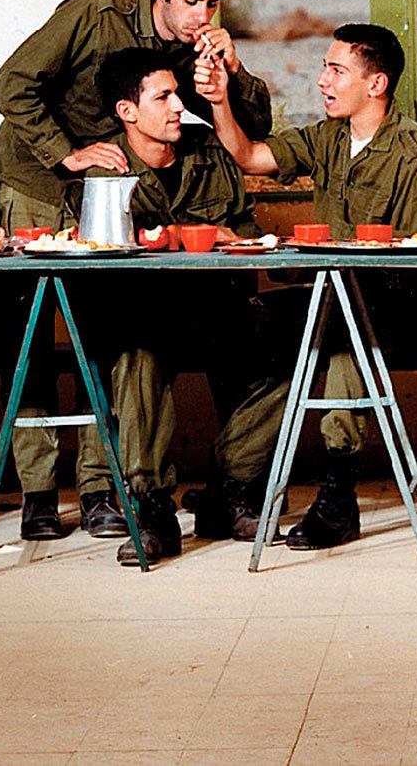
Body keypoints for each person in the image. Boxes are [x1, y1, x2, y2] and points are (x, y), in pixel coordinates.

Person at [0, 0, 272, 540]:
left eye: (213, 4)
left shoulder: (192, 52)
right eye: (190, 0)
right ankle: (39, 493)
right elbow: (9, 83)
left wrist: (234, 71)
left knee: (109, 328)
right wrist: (64, 153)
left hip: (114, 185)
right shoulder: (94, 16)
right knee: (34, 334)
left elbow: (252, 130)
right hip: (37, 178)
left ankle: (102, 488)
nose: (201, 16)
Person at [197, 24, 417, 549]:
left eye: (336, 71)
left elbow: (411, 259)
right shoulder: (329, 137)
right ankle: (235, 483)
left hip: (401, 305)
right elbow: (250, 156)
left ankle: (336, 493)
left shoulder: (414, 153)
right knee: (261, 329)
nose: (322, 81)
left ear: (376, 84)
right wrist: (220, 101)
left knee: (337, 344)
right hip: (334, 301)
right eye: (324, 69)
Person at [73, 49, 261, 566]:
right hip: (143, 313)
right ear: (127, 112)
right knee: (138, 358)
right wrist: (181, 235)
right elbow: (97, 252)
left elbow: (245, 231)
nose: (180, 106)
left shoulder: (209, 152)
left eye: (178, 94)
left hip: (217, 307)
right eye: (164, 98)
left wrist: (225, 236)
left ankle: (232, 487)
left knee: (293, 349)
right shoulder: (103, 168)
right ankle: (153, 507)